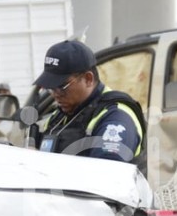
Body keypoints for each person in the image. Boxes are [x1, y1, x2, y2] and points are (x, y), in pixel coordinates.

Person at [31, 40, 145, 172]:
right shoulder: (59, 117)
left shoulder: (116, 117)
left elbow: (106, 177)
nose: (55, 95)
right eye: (50, 88)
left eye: (62, 87)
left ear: (88, 79)